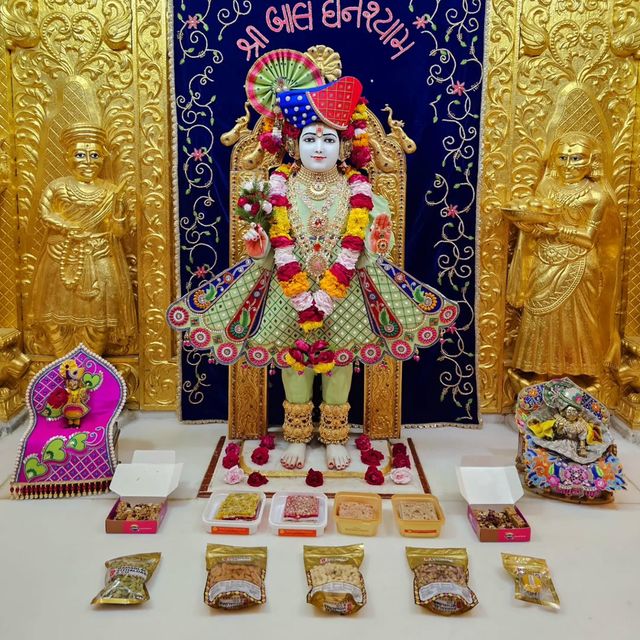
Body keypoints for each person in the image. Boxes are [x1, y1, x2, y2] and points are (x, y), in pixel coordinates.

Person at [168, 64, 457, 471]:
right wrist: (258, 246)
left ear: (345, 146)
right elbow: (265, 252)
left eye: (328, 139)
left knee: (340, 360)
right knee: (294, 360)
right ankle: (298, 435)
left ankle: (335, 436)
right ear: (292, 143)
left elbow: (375, 250)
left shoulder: (362, 192)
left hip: (346, 293)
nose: (318, 147)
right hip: (288, 291)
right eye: (309, 138)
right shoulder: (273, 189)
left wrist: (376, 241)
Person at [505, 132, 620, 382]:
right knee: (539, 313)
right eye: (563, 158)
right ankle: (539, 373)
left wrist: (558, 230)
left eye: (576, 158)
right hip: (545, 258)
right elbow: (538, 220)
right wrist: (530, 228)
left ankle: (575, 375)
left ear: (592, 160)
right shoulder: (546, 187)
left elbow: (589, 239)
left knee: (576, 320)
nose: (568, 165)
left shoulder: (596, 195)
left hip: (579, 263)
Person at [30, 123, 137, 357]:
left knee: (100, 317)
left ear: (103, 158)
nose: (88, 162)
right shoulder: (57, 187)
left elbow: (119, 232)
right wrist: (67, 226)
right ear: (67, 158)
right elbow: (44, 214)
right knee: (54, 316)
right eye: (80, 154)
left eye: (95, 155)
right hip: (61, 254)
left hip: (100, 255)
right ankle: (63, 367)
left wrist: (119, 210)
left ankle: (92, 368)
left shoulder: (110, 191)